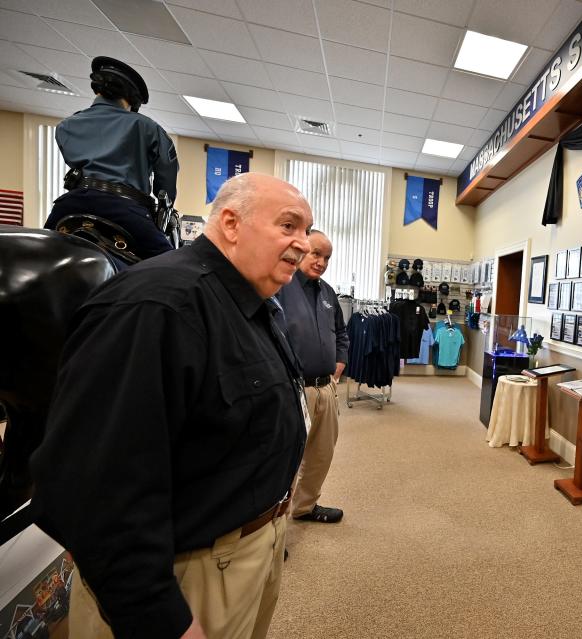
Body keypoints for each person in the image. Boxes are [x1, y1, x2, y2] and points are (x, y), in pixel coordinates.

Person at [30, 173, 312, 639]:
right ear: (230, 223)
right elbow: (93, 491)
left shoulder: (251, 304)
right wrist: (160, 617)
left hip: (250, 550)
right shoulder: (155, 305)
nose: (301, 244)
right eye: (289, 226)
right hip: (187, 577)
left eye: (306, 231)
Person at [43, 56, 179, 258]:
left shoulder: (66, 125)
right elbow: (166, 178)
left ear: (97, 88)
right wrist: (164, 207)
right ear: (132, 99)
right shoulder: (147, 127)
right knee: (170, 267)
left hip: (69, 206)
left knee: (41, 253)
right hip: (125, 211)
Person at [276, 231, 348, 523]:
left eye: (327, 257)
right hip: (294, 389)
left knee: (321, 454)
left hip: (325, 389)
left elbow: (341, 333)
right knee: (285, 458)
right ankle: (274, 525)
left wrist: (338, 366)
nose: (321, 262)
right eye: (316, 254)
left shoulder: (328, 293)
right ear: (303, 250)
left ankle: (305, 507)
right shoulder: (281, 285)